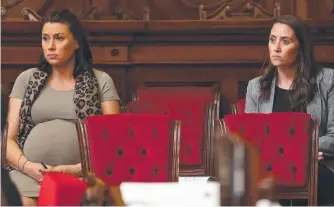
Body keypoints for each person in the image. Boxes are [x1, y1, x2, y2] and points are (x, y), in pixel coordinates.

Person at [6, 9, 120, 206]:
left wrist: (75, 169)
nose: (50, 46)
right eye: (45, 38)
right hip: (30, 176)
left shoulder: (101, 80)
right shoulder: (26, 79)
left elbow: (114, 142)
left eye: (59, 38)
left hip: (83, 176)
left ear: (76, 43)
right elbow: (7, 139)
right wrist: (28, 166)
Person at [245, 15, 334, 205]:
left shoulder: (327, 81)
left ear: (301, 48)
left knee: (310, 178)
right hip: (270, 171)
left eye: (285, 41)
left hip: (317, 168)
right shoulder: (256, 87)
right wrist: (296, 150)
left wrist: (304, 152)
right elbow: (250, 140)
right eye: (272, 40)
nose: (276, 48)